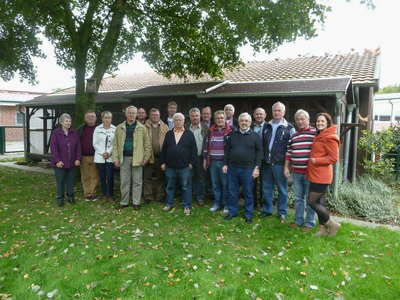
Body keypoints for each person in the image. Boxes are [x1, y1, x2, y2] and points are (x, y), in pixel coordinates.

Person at [223, 113, 263, 224]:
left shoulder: (255, 136)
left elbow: (260, 153)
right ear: (239, 122)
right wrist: (225, 164)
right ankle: (232, 212)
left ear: (250, 123)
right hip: (232, 168)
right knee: (232, 192)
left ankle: (248, 214)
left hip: (248, 169)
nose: (244, 123)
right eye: (242, 120)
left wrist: (257, 168)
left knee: (248, 193)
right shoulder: (232, 135)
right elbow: (227, 150)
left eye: (246, 121)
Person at [306, 112, 341, 237]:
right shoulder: (320, 134)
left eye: (322, 121)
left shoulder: (329, 137)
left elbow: (334, 157)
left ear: (328, 123)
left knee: (311, 202)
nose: (319, 123)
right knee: (320, 202)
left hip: (321, 176)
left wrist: (317, 160)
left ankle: (332, 225)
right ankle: (322, 230)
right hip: (316, 174)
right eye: (318, 121)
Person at [260, 102, 295, 222]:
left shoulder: (289, 127)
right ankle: (267, 210)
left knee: (282, 190)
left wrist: (289, 165)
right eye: (275, 110)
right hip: (266, 163)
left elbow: (292, 147)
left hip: (280, 164)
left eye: (279, 110)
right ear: (272, 112)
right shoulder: (265, 126)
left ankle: (281, 212)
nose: (277, 112)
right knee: (266, 189)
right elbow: (261, 144)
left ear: (284, 113)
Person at [112, 105, 151, 210]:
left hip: (137, 158)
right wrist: (115, 158)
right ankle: (124, 202)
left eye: (134, 113)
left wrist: (146, 158)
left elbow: (147, 144)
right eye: (130, 113)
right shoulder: (119, 128)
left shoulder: (141, 128)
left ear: (136, 115)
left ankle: (136, 202)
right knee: (124, 181)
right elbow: (115, 144)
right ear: (126, 114)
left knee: (137, 182)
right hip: (124, 158)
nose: (132, 115)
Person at [284, 109, 317, 231]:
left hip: (310, 173)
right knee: (298, 198)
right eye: (298, 119)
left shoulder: (315, 133)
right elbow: (289, 152)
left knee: (310, 199)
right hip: (297, 173)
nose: (300, 121)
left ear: (308, 119)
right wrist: (286, 167)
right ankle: (298, 221)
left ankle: (310, 223)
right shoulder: (294, 136)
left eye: (303, 119)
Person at [161, 113, 197, 215]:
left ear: (184, 121)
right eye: (176, 120)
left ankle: (186, 206)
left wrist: (192, 163)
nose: (178, 122)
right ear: (173, 121)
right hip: (170, 166)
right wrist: (163, 162)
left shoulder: (189, 134)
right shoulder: (169, 134)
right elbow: (164, 149)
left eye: (180, 120)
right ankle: (169, 204)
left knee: (186, 187)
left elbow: (194, 150)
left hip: (185, 166)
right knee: (169, 186)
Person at [203, 110, 235, 214]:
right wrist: (205, 159)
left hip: (224, 163)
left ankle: (226, 204)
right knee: (215, 184)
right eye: (217, 118)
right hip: (213, 162)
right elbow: (207, 145)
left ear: (225, 119)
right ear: (215, 119)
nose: (220, 120)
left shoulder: (231, 130)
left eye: (222, 118)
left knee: (225, 185)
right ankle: (217, 203)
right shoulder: (211, 130)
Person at [50, 113, 81, 206]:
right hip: (60, 163)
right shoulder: (56, 133)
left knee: (71, 181)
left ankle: (70, 197)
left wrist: (78, 158)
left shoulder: (74, 133)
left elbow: (78, 146)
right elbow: (53, 147)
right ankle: (60, 198)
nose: (68, 123)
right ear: (61, 123)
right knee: (60, 181)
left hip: (72, 162)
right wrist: (57, 161)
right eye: (66, 121)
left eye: (70, 121)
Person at [143, 108, 169, 204]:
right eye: (153, 115)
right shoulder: (144, 127)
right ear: (149, 116)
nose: (155, 117)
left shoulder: (165, 127)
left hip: (160, 157)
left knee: (160, 178)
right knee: (147, 178)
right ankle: (148, 196)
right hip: (148, 156)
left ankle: (160, 195)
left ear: (160, 116)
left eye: (157, 115)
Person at [185, 108, 209, 206]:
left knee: (200, 179)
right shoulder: (185, 127)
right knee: (188, 179)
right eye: (193, 116)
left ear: (200, 117)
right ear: (189, 117)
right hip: (188, 158)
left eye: (197, 116)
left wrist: (205, 159)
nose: (195, 118)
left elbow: (208, 144)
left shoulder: (205, 128)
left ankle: (200, 197)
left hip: (200, 158)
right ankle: (188, 197)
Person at [93, 111, 116, 204]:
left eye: (109, 118)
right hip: (100, 156)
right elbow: (94, 143)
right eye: (105, 118)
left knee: (110, 177)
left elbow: (116, 143)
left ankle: (111, 196)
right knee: (102, 177)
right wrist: (102, 152)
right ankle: (104, 195)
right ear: (102, 118)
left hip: (110, 156)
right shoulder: (97, 129)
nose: (107, 120)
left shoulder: (115, 129)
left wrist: (109, 152)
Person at [77, 110, 99, 201]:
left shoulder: (99, 129)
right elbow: (76, 143)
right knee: (85, 176)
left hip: (96, 156)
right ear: (85, 118)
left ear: (96, 118)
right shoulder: (81, 128)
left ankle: (93, 193)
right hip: (83, 156)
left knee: (94, 176)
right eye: (88, 116)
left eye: (92, 116)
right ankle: (87, 193)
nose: (90, 118)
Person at [251, 107, 267, 211]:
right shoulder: (250, 126)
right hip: (251, 159)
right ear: (254, 115)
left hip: (264, 159)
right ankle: (253, 203)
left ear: (265, 115)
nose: (259, 116)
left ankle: (262, 204)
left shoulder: (268, 126)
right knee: (251, 182)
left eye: (261, 114)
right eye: (257, 114)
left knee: (264, 183)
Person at [201, 106, 215, 199]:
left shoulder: (215, 124)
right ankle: (203, 193)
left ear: (211, 115)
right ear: (201, 115)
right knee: (202, 175)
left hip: (212, 154)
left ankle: (211, 193)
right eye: (204, 113)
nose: (206, 115)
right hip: (201, 153)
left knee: (211, 175)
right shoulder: (199, 124)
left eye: (208, 113)